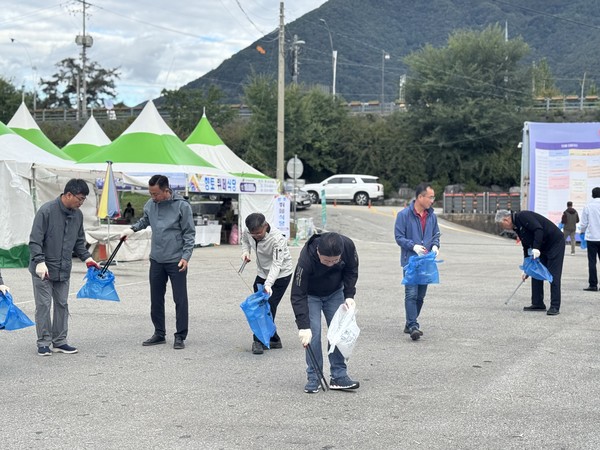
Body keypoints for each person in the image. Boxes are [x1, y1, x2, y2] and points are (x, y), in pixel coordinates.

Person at [120, 175, 195, 349]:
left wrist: (186, 257)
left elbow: (189, 234)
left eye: (156, 194)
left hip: (177, 260)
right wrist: (131, 230)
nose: (153, 197)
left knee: (180, 299)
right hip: (156, 259)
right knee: (156, 299)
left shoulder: (182, 206)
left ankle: (180, 335)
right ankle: (159, 333)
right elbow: (145, 221)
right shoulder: (150, 205)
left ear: (166, 190)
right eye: (151, 193)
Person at [29, 179, 100, 356]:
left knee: (62, 304)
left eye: (84, 199)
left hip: (64, 269)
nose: (81, 202)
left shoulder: (78, 215)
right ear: (68, 195)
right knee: (44, 305)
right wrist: (39, 261)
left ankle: (60, 341)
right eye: (80, 198)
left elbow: (78, 243)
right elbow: (35, 240)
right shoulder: (46, 211)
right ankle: (44, 342)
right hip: (43, 268)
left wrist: (88, 259)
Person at [290, 232, 360, 394]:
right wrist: (303, 325)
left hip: (335, 291)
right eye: (326, 261)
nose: (330, 264)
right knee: (313, 333)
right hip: (310, 295)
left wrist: (349, 295)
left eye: (335, 261)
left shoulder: (348, 246)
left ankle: (339, 375)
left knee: (339, 332)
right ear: (318, 253)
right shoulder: (306, 258)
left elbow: (351, 271)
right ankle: (314, 375)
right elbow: (297, 293)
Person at [240, 213, 293, 354]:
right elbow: (244, 240)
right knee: (260, 305)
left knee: (267, 306)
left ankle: (258, 341)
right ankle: (274, 339)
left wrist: (268, 284)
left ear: (265, 226)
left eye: (259, 233)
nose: (256, 236)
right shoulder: (248, 232)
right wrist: (246, 252)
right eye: (253, 234)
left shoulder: (277, 239)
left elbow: (277, 264)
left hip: (281, 274)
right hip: (262, 272)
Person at [394, 183, 440, 341]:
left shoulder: (432, 216)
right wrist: (412, 246)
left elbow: (436, 234)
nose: (432, 200)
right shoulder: (404, 215)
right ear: (420, 197)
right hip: (410, 261)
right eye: (430, 197)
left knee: (420, 296)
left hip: (426, 262)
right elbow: (399, 237)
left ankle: (409, 323)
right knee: (411, 294)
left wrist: (435, 246)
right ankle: (413, 325)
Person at [495, 209, 564, 315]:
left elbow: (538, 229)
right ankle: (538, 303)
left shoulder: (523, 216)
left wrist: (536, 248)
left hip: (554, 242)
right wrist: (526, 267)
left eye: (501, 225)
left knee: (553, 274)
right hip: (541, 246)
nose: (502, 227)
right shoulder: (516, 227)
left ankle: (555, 306)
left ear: (506, 220)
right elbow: (526, 245)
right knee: (535, 271)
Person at [579, 187, 600, 291]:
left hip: (592, 238)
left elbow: (583, 223)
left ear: (592, 195)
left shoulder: (588, 206)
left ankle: (593, 285)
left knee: (592, 262)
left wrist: (582, 231)